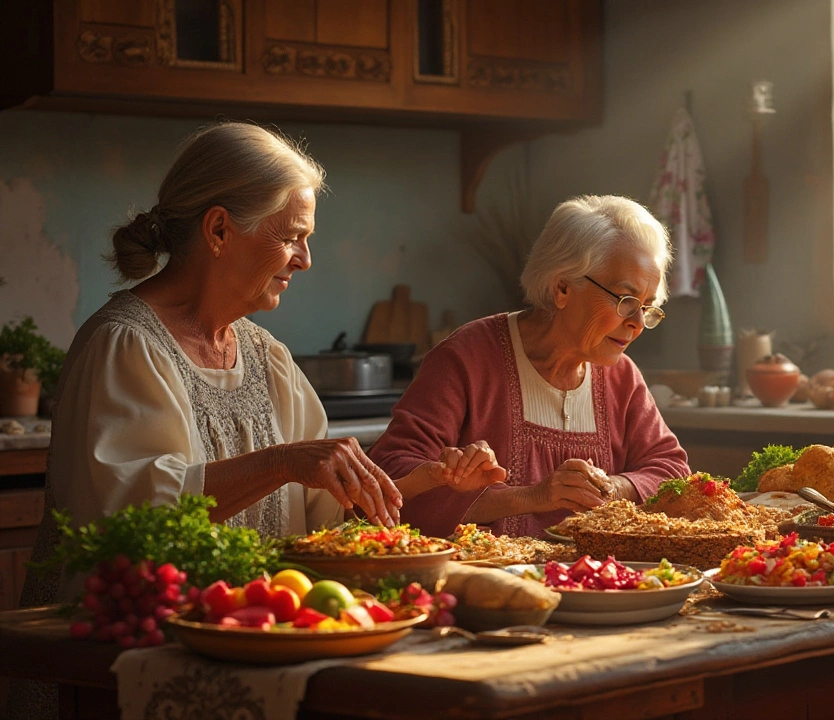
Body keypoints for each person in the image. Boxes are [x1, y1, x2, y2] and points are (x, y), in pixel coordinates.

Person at [22, 122, 500, 608]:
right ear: (219, 229)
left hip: (244, 634)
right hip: (117, 652)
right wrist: (281, 462)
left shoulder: (265, 356)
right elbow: (130, 519)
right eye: (293, 236)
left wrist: (426, 482)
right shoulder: (123, 346)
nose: (305, 260)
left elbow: (327, 522)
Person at [370, 195, 691, 538]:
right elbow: (390, 476)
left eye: (648, 307)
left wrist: (613, 487)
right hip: (484, 585)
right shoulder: (468, 359)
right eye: (627, 301)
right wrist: (531, 497)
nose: (638, 323)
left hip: (598, 586)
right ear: (563, 288)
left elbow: (672, 471)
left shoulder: (621, 377)